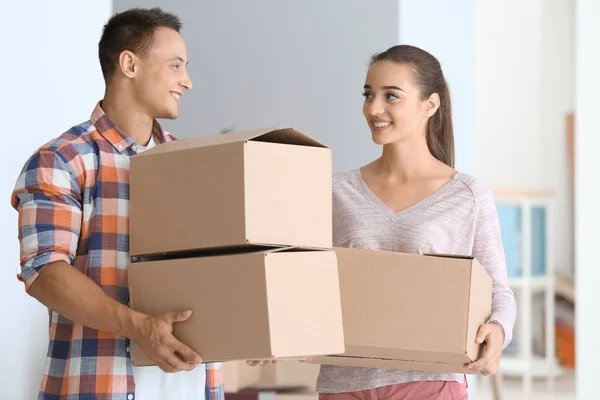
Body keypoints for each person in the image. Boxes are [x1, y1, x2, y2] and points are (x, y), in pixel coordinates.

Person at [249, 44, 517, 400]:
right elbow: (299, 277)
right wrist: (275, 331)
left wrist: (498, 330)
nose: (374, 109)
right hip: (343, 383)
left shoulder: (466, 194)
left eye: (391, 96)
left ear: (429, 105)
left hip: (430, 383)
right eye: (368, 95)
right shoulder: (335, 191)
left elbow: (498, 290)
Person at [11, 7, 223, 400]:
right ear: (129, 63)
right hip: (101, 386)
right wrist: (139, 326)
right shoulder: (62, 160)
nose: (187, 81)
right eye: (175, 66)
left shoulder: (196, 162)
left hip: (195, 387)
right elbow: (46, 274)